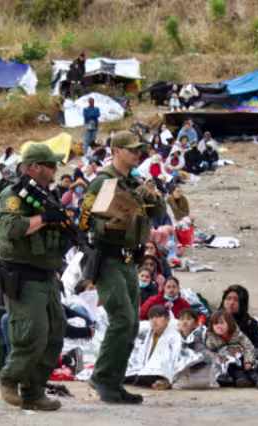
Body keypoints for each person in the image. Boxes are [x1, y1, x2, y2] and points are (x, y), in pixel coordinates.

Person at [79, 131, 167, 404]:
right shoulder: (103, 183)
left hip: (130, 260)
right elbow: (83, 222)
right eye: (131, 149)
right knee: (122, 320)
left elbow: (158, 212)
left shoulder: (134, 183)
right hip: (107, 258)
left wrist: (153, 197)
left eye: (139, 149)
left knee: (131, 324)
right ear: (116, 151)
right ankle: (102, 379)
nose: (137, 154)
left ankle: (114, 382)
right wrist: (107, 224)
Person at [0, 144, 68, 411]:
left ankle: (33, 392)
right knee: (32, 332)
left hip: (47, 276)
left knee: (55, 333)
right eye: (50, 165)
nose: (55, 169)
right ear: (35, 167)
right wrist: (45, 217)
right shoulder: (13, 195)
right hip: (23, 276)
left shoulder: (47, 194)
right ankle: (9, 378)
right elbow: (12, 228)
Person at [201, 310, 258, 388]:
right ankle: (241, 379)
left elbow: (248, 346)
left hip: (240, 359)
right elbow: (209, 349)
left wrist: (248, 361)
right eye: (215, 324)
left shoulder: (237, 334)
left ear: (229, 324)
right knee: (232, 368)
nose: (218, 326)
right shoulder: (210, 336)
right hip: (224, 364)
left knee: (248, 367)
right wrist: (219, 354)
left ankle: (257, 379)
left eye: (221, 323)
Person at [125, 305, 183, 390]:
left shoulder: (174, 335)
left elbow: (175, 356)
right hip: (146, 368)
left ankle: (163, 381)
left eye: (158, 317)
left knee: (144, 377)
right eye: (151, 318)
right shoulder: (150, 334)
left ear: (167, 319)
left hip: (162, 369)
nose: (154, 320)